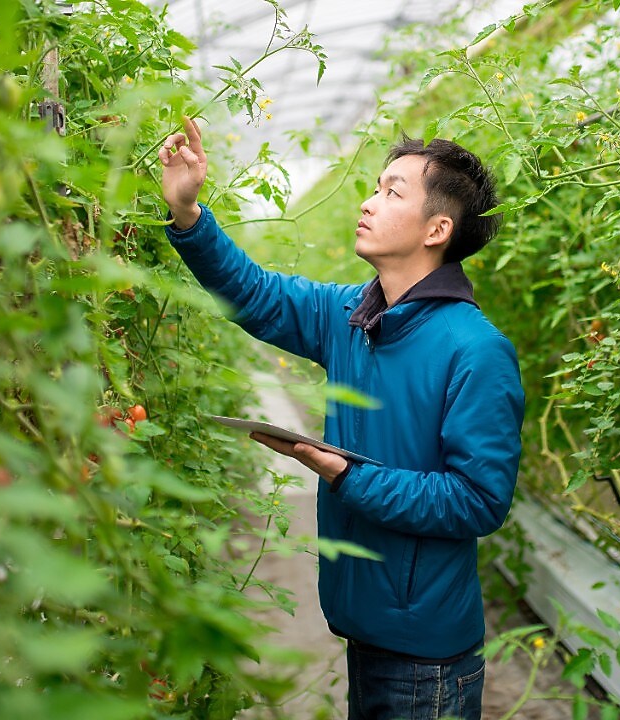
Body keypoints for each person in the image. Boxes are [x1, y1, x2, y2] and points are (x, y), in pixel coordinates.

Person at [159, 117, 525, 720]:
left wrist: (346, 476)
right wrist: (189, 216)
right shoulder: (354, 316)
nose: (368, 201)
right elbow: (257, 294)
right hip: (363, 624)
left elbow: (478, 501)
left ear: (438, 228)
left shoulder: (475, 350)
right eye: (376, 187)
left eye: (391, 192)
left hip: (427, 655)